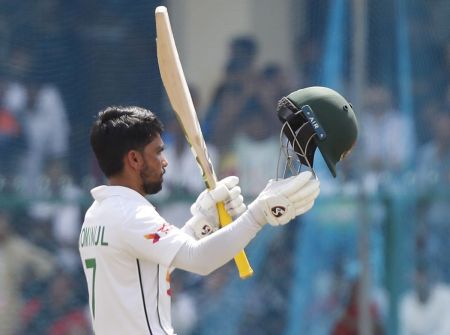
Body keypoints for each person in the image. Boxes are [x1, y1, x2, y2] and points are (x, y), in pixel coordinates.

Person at [79, 105, 321, 335]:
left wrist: (202, 222)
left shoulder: (96, 215)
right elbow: (199, 259)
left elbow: (153, 266)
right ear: (134, 159)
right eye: (158, 151)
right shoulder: (131, 215)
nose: (164, 162)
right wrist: (258, 214)